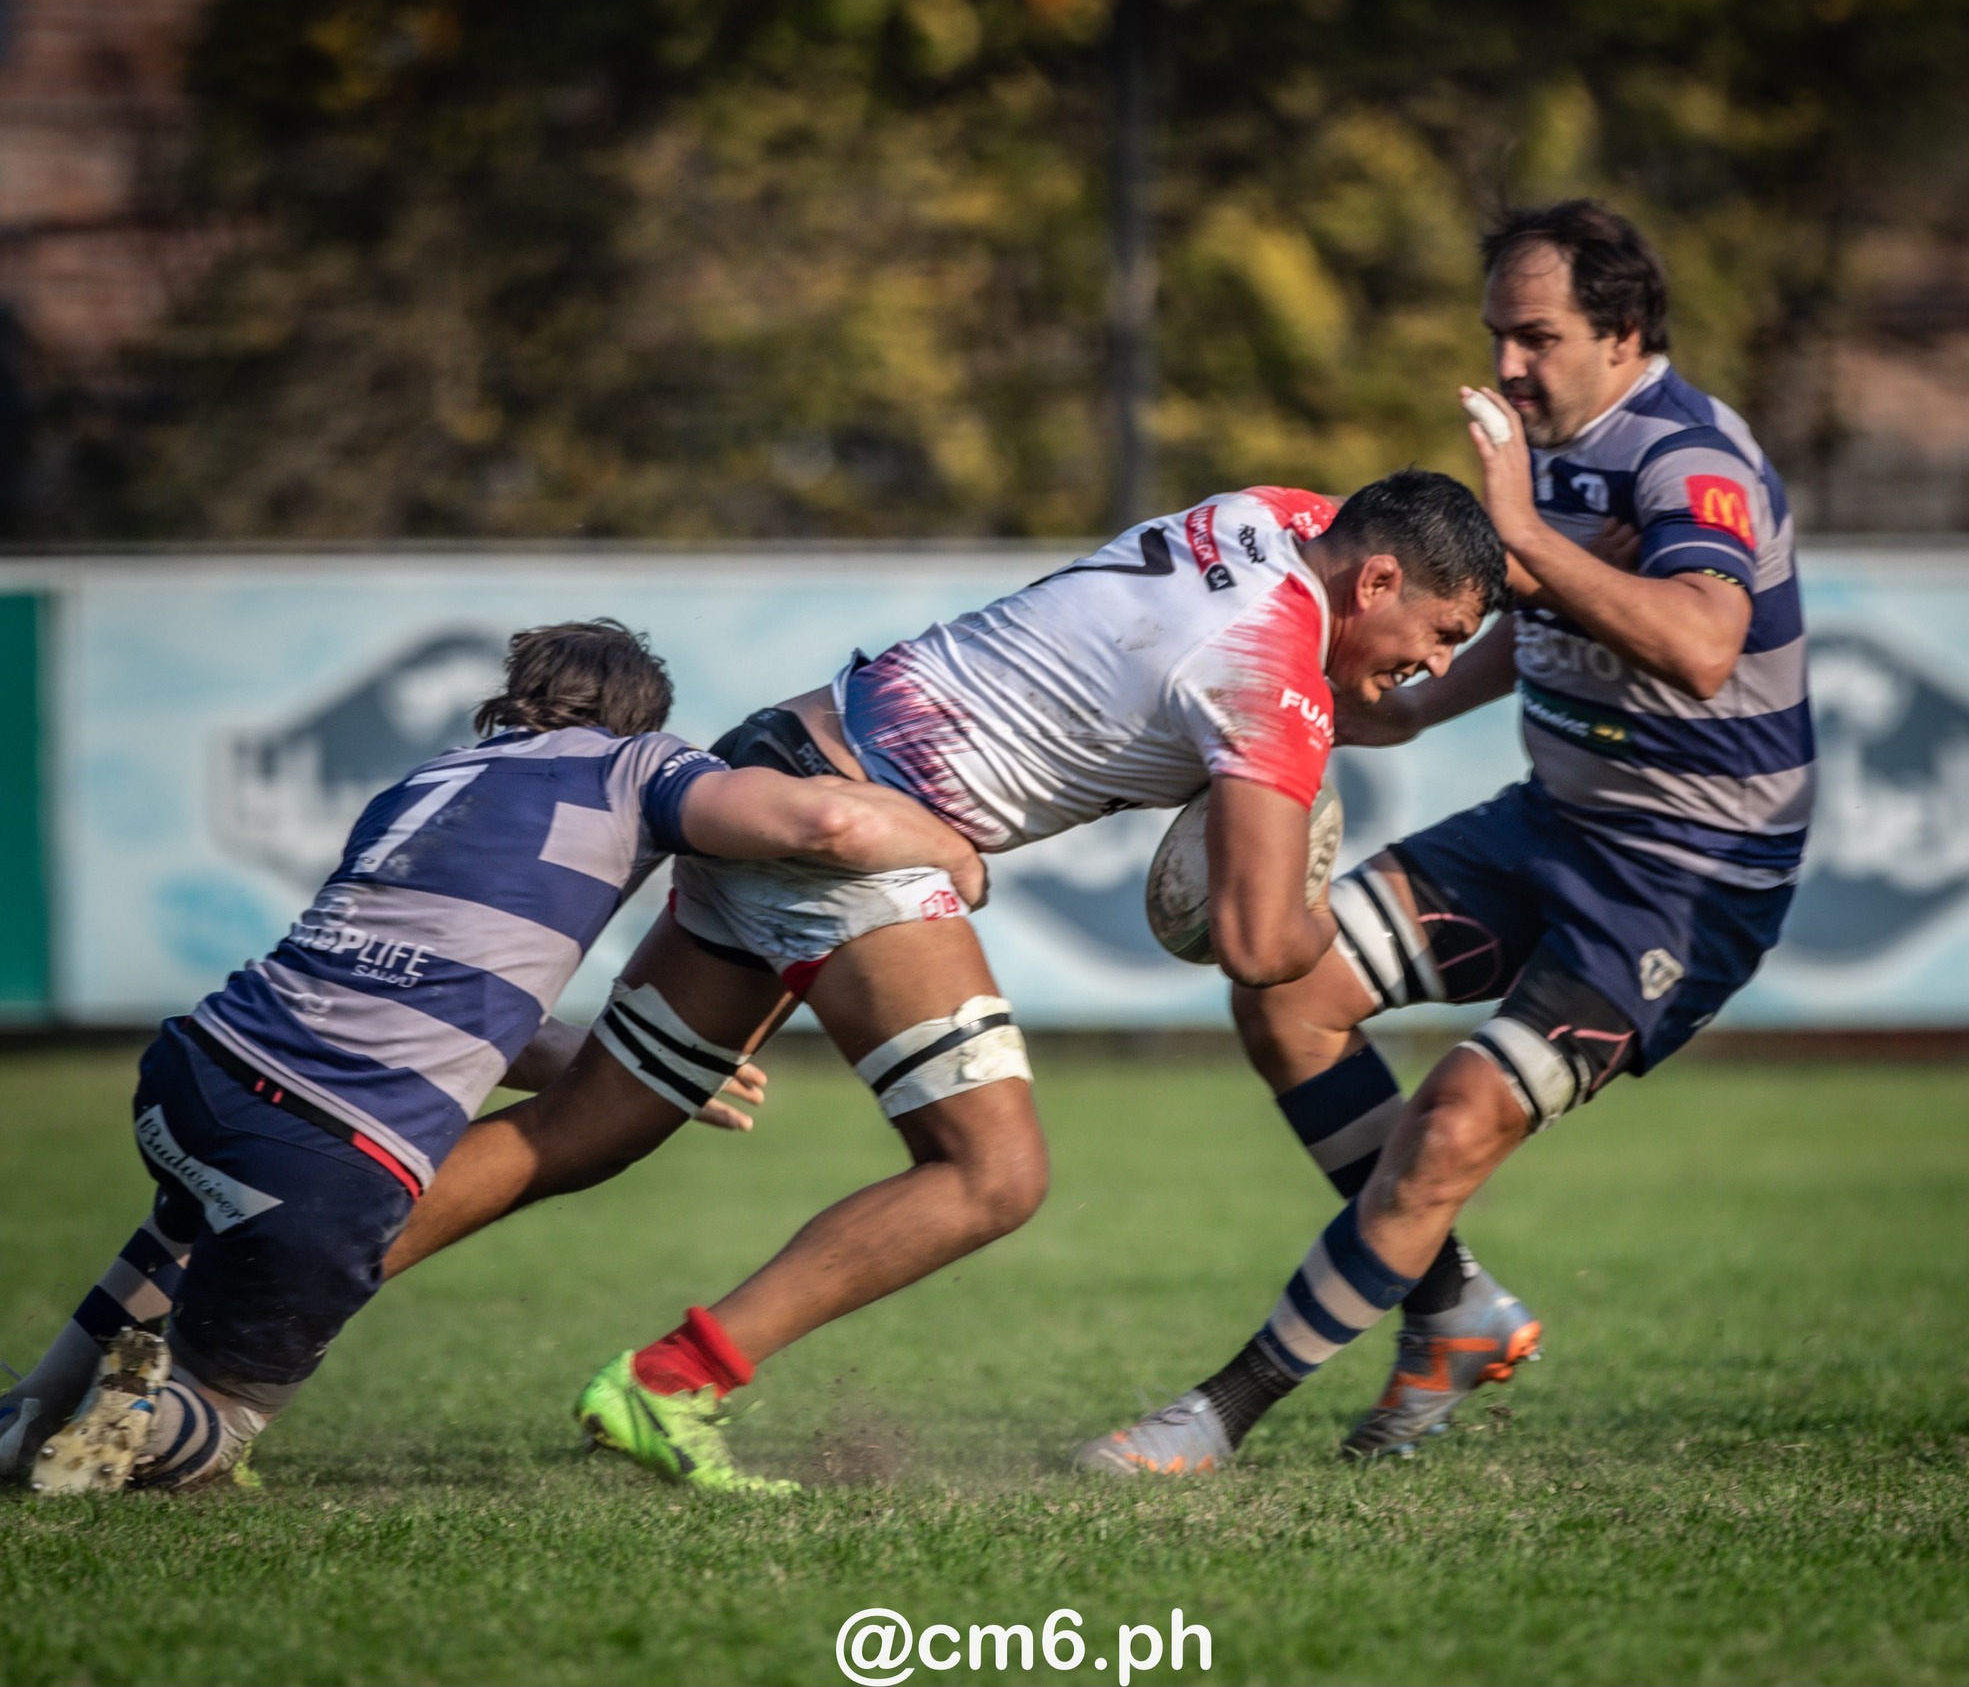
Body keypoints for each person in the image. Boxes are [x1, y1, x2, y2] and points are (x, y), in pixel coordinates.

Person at [373, 472, 1509, 1492]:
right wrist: (1316, 908)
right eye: (1443, 631)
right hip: (850, 838)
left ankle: (250, 1289)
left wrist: (1483, 645)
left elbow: (1366, 697)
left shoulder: (1274, 515)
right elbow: (1257, 947)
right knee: (991, 1175)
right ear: (1375, 578)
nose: (1440, 663)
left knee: (583, 1124)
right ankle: (670, 1381)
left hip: (780, 759)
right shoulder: (1266, 675)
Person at [1077, 198, 1813, 1475]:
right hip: (1551, 825)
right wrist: (1411, 704)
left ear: (1623, 331)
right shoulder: (1558, 448)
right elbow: (1543, 613)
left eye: (1534, 337)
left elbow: (1697, 644)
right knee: (1285, 992)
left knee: (1453, 1123)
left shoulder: (1689, 461)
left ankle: (1220, 1414)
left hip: (1685, 877)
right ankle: (1449, 1308)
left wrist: (1520, 533)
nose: (1506, 366)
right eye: (1495, 336)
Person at [1, 619, 985, 1493]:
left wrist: (633, 1071)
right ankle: (152, 1419)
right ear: (639, 719)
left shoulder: (424, 783)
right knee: (223, 1416)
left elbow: (442, 998)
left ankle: (27, 1416)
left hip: (195, 1071)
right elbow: (826, 819)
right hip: (322, 1147)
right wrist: (948, 847)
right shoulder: (636, 766)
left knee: (182, 1229)